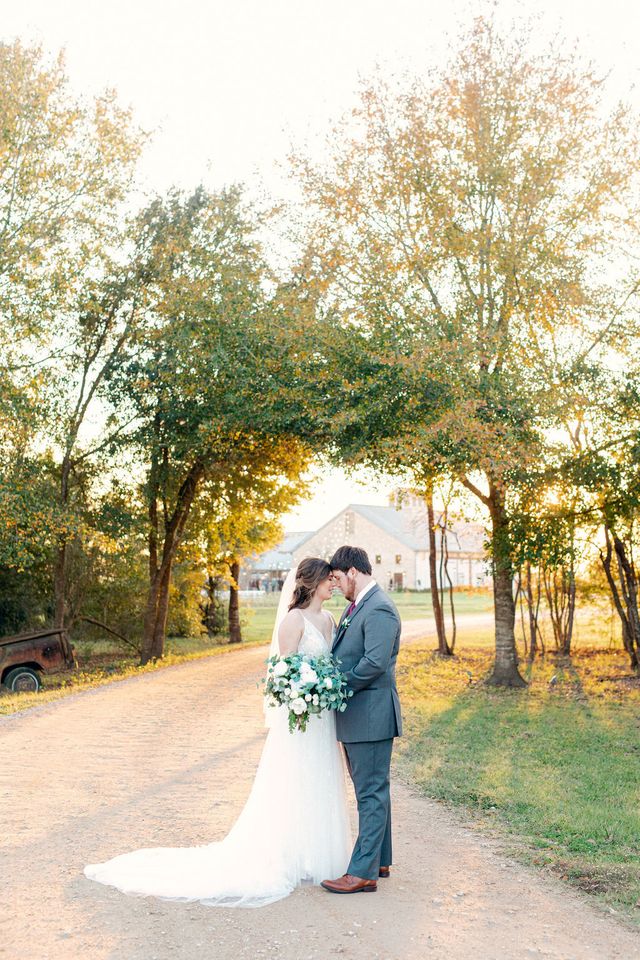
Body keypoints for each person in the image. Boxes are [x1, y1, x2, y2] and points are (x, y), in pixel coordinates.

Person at [83, 558, 352, 908]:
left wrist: (325, 688)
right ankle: (288, 854)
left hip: (323, 719)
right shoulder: (293, 621)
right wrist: (305, 691)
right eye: (328, 580)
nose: (333, 585)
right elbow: (282, 678)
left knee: (321, 780)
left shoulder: (329, 620)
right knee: (295, 782)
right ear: (312, 582)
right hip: (300, 721)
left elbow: (329, 665)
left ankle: (318, 856)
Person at [321, 545, 402, 895]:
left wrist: (335, 685)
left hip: (371, 715)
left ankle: (362, 872)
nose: (336, 585)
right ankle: (379, 860)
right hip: (360, 716)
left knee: (369, 792)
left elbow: (374, 663)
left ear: (353, 572)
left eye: (337, 578)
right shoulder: (359, 606)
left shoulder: (380, 608)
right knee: (371, 789)